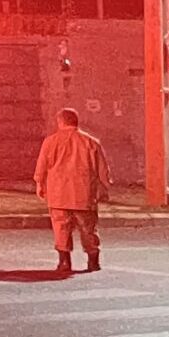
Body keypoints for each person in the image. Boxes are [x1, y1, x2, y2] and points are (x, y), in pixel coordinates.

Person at [34, 106, 111, 275]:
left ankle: (64, 262)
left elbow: (41, 167)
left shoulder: (50, 141)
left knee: (61, 228)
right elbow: (103, 171)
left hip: (58, 194)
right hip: (83, 194)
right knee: (88, 229)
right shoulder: (91, 142)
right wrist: (105, 188)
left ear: (60, 122)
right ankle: (93, 261)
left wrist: (40, 184)